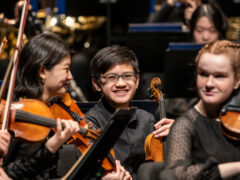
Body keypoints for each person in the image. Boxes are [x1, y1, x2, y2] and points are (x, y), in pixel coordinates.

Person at [85, 45, 174, 179]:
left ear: (137, 81)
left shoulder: (147, 119)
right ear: (96, 84)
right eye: (111, 77)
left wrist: (178, 135)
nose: (121, 83)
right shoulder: (90, 123)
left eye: (127, 76)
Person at [165, 40, 240, 179]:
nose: (209, 83)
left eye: (220, 76)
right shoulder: (185, 125)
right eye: (203, 74)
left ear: (237, 81)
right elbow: (176, 174)